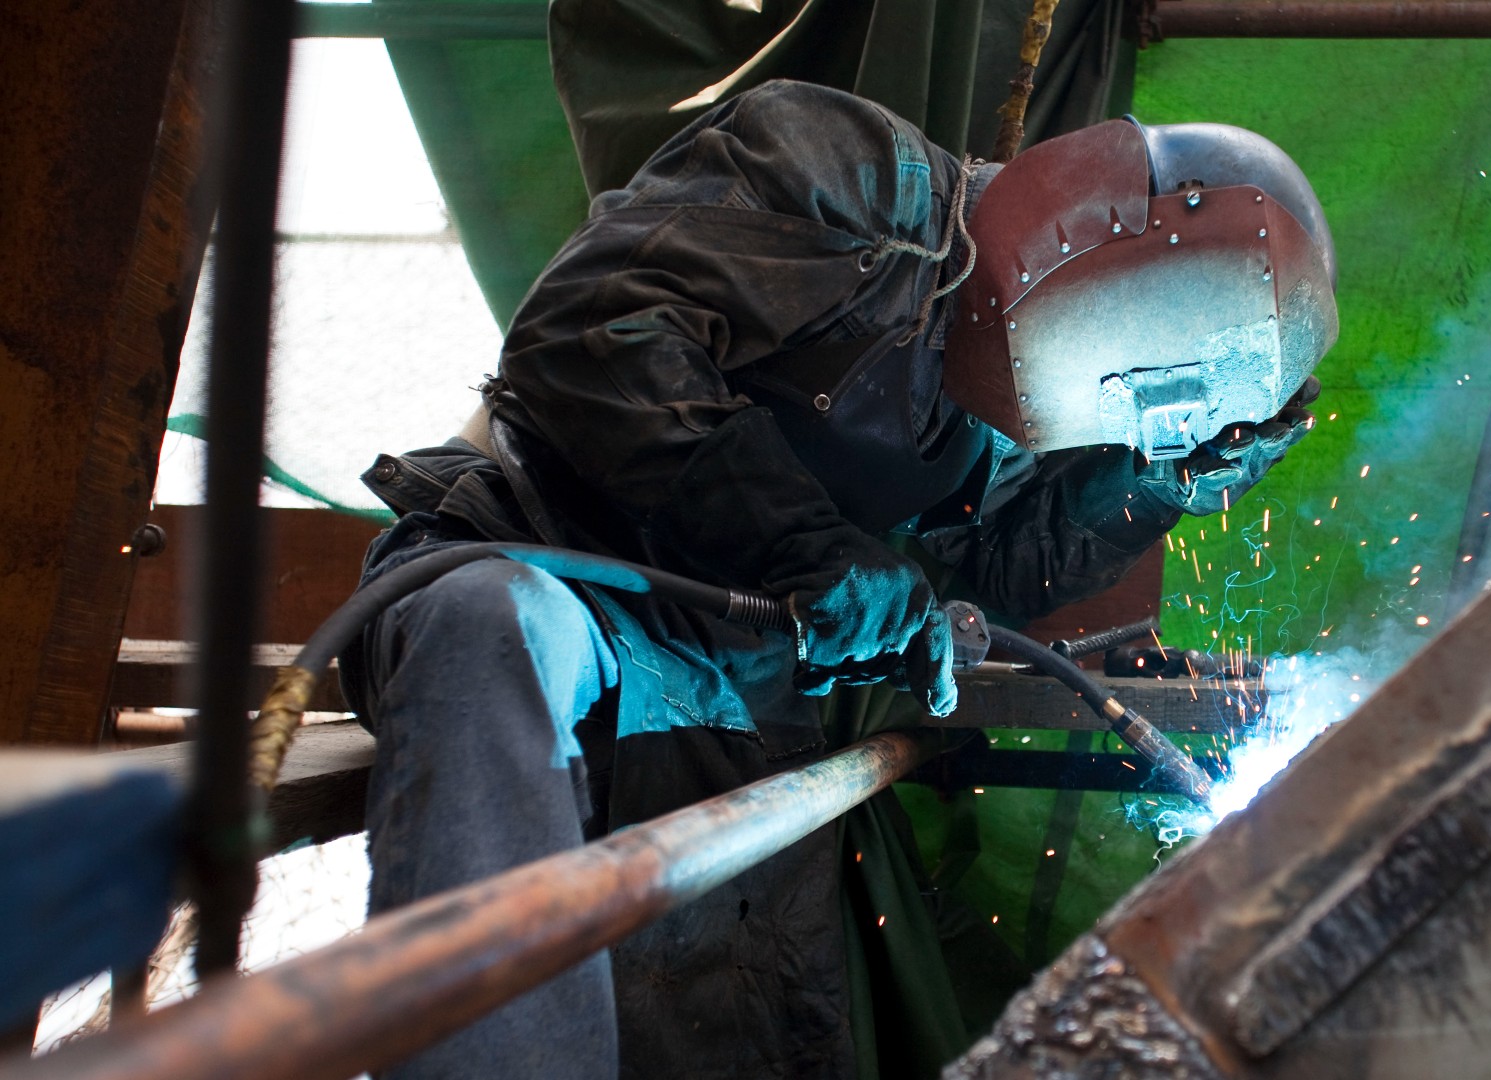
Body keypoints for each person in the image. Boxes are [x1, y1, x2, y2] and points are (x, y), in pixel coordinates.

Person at [342, 79, 1336, 1079]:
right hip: (552, 564)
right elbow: (594, 338)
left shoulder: (1028, 401)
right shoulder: (840, 171)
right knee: (490, 630)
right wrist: (813, 552)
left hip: (730, 680)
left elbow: (1002, 563)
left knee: (732, 1013)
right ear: (1098, 249)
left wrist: (1157, 484)